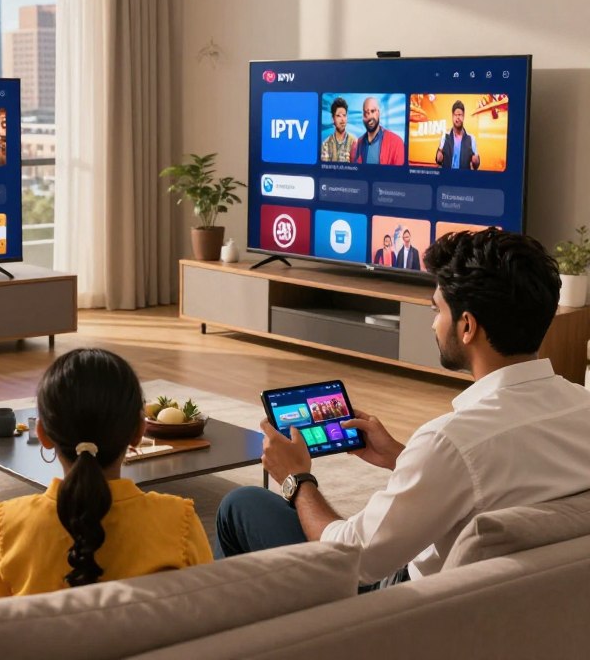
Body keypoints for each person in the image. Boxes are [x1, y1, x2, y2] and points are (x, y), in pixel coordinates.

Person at [215, 228, 590, 587]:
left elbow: (351, 559)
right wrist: (403, 457)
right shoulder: (582, 408)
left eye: (436, 310)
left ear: (467, 327)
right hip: (529, 605)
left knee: (241, 504)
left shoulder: (450, 441)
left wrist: (296, 479)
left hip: (405, 607)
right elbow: (499, 474)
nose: (432, 325)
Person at [0, 348, 213, 599]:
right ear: (138, 431)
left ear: (43, 433)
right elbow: (208, 615)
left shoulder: (9, 525)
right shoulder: (178, 521)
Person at [349, 97, 404, 165]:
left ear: (378, 113)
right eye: (366, 113)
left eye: (373, 111)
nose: (370, 116)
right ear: (363, 116)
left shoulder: (396, 142)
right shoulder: (357, 144)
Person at [436, 100, 480, 171]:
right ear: (452, 116)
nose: (457, 117)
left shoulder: (471, 139)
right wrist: (439, 158)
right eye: (455, 115)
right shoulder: (445, 136)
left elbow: (476, 165)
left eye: (460, 115)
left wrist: (476, 162)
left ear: (463, 116)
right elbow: (438, 161)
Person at [320, 97, 356, 162]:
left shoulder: (354, 142)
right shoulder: (326, 144)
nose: (342, 119)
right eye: (339, 116)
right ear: (333, 118)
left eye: (344, 115)